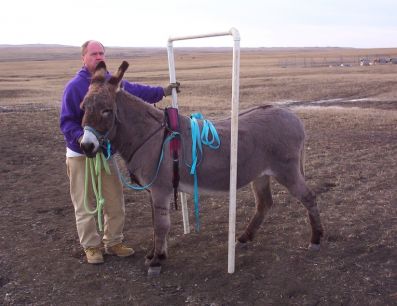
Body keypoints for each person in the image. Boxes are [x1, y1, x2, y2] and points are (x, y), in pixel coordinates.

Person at [60, 40, 180, 264]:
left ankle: (113, 242)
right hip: (80, 154)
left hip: (105, 154)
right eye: (93, 53)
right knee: (85, 203)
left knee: (114, 200)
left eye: (101, 53)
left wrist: (161, 92)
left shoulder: (109, 83)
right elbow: (66, 123)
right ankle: (92, 247)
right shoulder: (74, 87)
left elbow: (134, 91)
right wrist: (83, 139)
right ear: (83, 58)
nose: (98, 57)